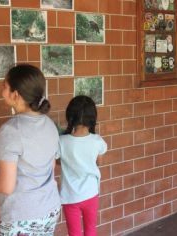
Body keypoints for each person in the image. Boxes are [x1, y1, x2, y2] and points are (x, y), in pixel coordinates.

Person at [0, 64, 61, 235]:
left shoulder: (11, 131)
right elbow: (49, 165)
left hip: (22, 217)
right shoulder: (49, 124)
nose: (1, 92)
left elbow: (6, 186)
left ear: (15, 94)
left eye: (4, 87)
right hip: (50, 209)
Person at [57, 95, 107, 236]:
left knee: (74, 233)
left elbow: (57, 161)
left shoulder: (62, 141)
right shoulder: (97, 141)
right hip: (91, 193)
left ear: (70, 116)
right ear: (93, 118)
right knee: (91, 230)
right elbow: (99, 163)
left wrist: (70, 160)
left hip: (70, 196)